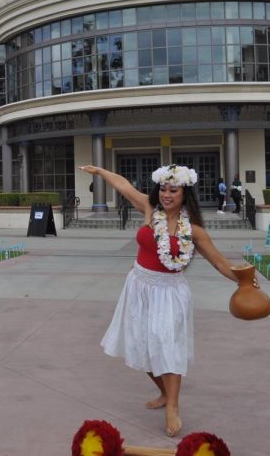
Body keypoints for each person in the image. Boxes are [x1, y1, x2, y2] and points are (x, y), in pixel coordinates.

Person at [79, 163, 239, 437]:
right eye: (163, 189)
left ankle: (173, 407)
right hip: (139, 287)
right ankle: (165, 392)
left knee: (168, 346)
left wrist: (245, 281)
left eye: (173, 190)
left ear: (184, 194)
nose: (166, 194)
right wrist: (99, 172)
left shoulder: (194, 231)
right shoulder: (150, 209)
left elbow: (219, 262)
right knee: (142, 347)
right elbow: (124, 186)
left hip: (170, 292)